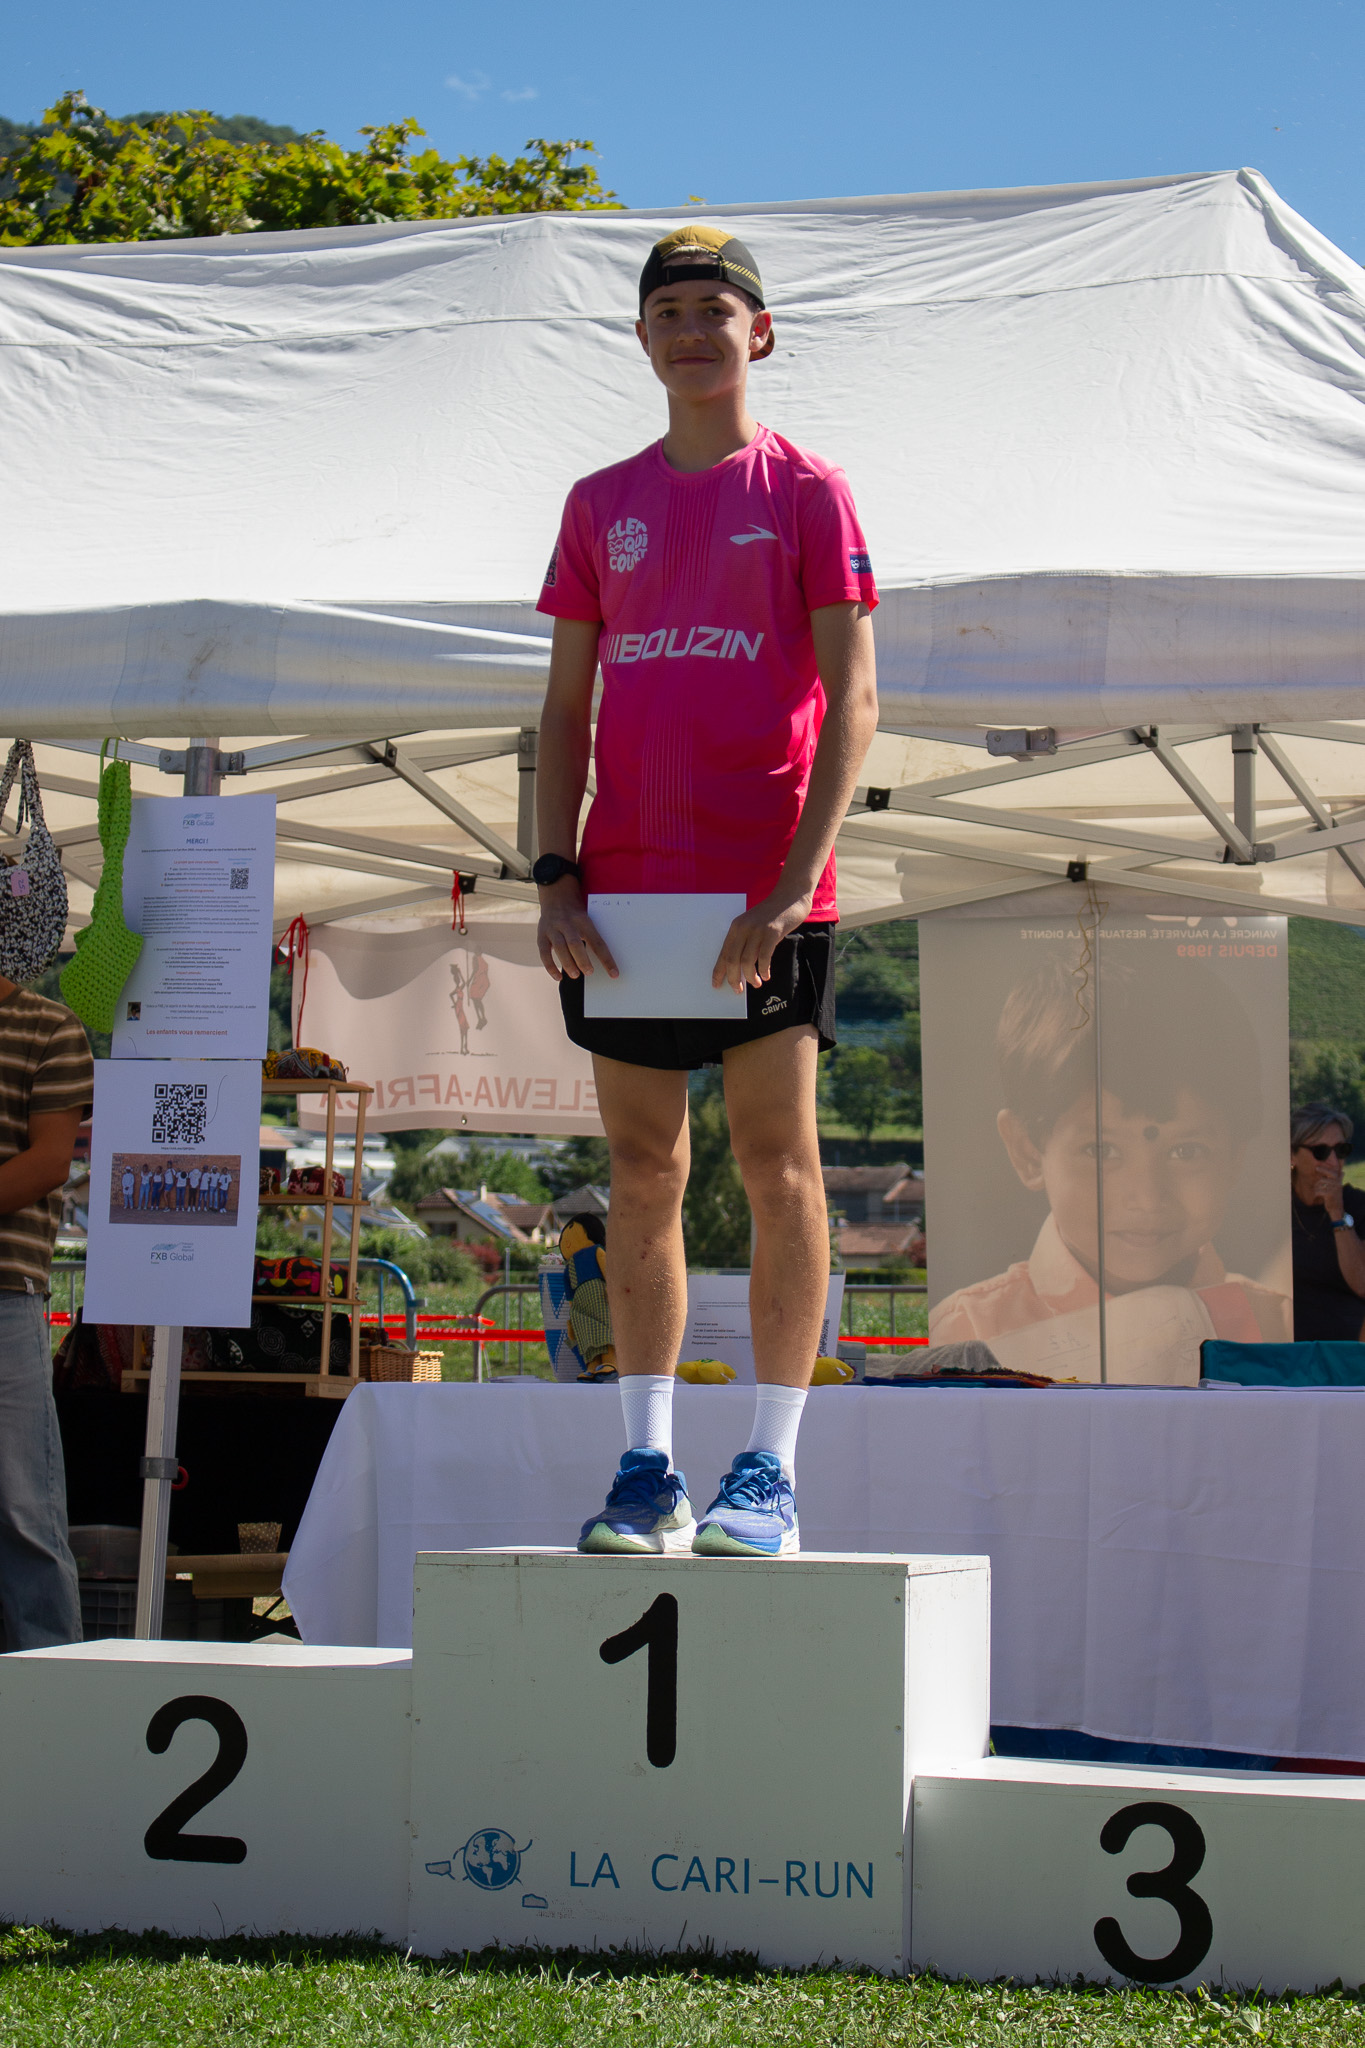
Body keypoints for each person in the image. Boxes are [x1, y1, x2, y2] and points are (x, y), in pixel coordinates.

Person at [535, 223, 879, 1557]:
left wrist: (792, 886)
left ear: (759, 331)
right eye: (668, 310)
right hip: (627, 896)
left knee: (779, 1165)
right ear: (641, 337)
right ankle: (647, 1468)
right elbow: (564, 709)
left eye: (714, 309)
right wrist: (554, 870)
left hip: (763, 894)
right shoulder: (597, 503)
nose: (691, 330)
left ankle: (771, 1471)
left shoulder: (807, 490)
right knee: (641, 1171)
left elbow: (854, 700)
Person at [931, 952, 1290, 1375]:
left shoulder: (1278, 1327)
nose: (1148, 1198)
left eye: (1186, 1151)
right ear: (1027, 1150)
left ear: (1234, 1157)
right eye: (1101, 1150)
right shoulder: (966, 1334)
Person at [0, 968, 92, 1646]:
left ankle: (54, 1684)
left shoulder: (49, 1026)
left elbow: (50, 1161)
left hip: (5, 1290)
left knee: (22, 1506)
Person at [1289, 1102, 1365, 1341]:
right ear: (1292, 1155)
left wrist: (1337, 1213)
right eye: (1320, 1151)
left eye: (1341, 1150)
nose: (1333, 1161)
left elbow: (1362, 1284)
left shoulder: (1358, 1205)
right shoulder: (1277, 1209)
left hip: (1347, 1350)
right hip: (1287, 1349)